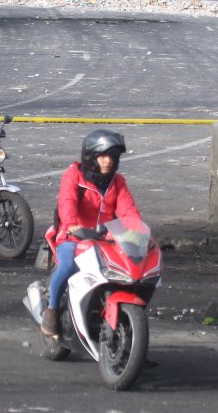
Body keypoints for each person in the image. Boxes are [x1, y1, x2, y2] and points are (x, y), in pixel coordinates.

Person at [41, 129, 142, 337]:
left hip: (105, 239)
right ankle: (51, 309)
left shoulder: (118, 182)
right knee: (68, 265)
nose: (108, 162)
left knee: (128, 272)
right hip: (74, 238)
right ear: (91, 157)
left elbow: (127, 210)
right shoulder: (73, 175)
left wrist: (138, 231)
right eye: (103, 156)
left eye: (112, 157)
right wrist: (71, 225)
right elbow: (66, 202)